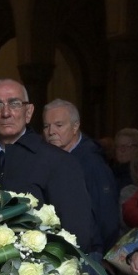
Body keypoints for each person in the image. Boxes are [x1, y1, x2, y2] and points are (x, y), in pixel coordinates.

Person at [0, 78, 96, 254]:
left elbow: (78, 235)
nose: (6, 113)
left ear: (29, 111)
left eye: (14, 103)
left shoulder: (58, 162)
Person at [41, 98, 121, 260]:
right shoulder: (47, 160)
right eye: (46, 126)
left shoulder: (92, 163)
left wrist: (104, 255)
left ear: (75, 126)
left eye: (59, 125)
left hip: (90, 255)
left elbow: (107, 214)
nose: (51, 132)